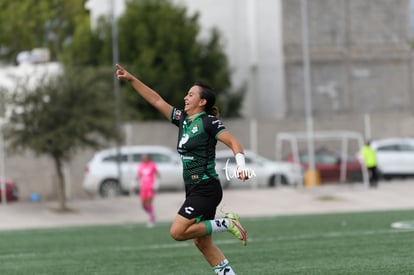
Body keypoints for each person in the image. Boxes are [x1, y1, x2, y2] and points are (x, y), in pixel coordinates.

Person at [116, 64, 250, 275]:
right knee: (202, 244)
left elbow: (234, 143)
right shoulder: (182, 120)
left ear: (202, 101)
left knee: (177, 232)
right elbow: (156, 100)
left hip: (206, 187)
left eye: (191, 94)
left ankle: (227, 223)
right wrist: (132, 79)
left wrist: (241, 166)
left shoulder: (209, 122)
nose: (186, 97)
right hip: (194, 189)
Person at [137, 154, 159, 227]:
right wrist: (134, 182)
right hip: (143, 188)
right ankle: (152, 214)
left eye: (145, 157)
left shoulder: (152, 165)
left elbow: (158, 174)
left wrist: (157, 183)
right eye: (143, 158)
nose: (144, 159)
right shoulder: (141, 165)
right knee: (143, 205)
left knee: (149, 203)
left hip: (150, 187)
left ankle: (151, 219)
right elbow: (139, 175)